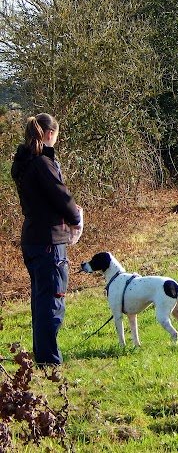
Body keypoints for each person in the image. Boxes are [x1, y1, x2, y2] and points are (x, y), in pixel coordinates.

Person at [10, 113, 82, 365]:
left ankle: (43, 356)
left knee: (41, 300)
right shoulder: (42, 163)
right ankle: (49, 361)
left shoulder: (24, 162)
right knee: (52, 301)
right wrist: (76, 217)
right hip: (49, 241)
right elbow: (61, 196)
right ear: (50, 134)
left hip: (32, 238)